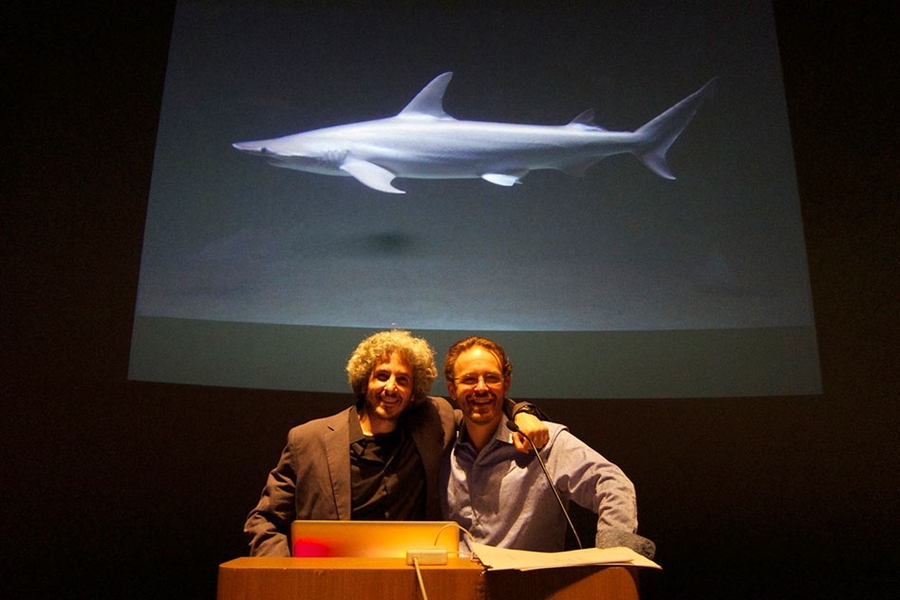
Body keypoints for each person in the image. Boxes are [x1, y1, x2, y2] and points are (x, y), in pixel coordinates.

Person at [244, 330, 548, 556]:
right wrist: (285, 575)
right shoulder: (309, 440)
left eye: (403, 380)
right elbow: (264, 520)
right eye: (382, 376)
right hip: (329, 584)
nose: (391, 387)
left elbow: (479, 404)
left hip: (411, 583)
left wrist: (522, 412)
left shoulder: (434, 420)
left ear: (414, 390)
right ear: (364, 382)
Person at [440, 336, 642, 554]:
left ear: (506, 385)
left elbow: (613, 484)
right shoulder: (443, 444)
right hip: (456, 584)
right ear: (452, 389)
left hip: (535, 585)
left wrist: (615, 558)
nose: (481, 388)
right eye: (470, 379)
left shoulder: (544, 442)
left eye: (491, 378)